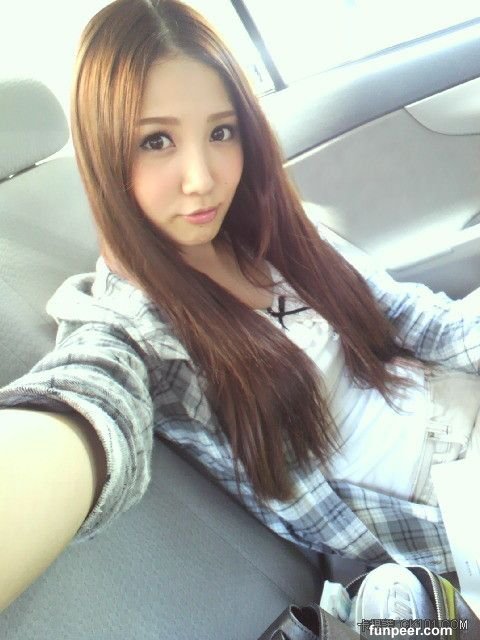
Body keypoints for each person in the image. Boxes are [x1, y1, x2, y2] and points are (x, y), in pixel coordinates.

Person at [0, 0, 479, 613]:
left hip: (456, 394)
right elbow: (89, 399)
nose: (201, 178)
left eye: (220, 132)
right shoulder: (135, 326)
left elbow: (415, 320)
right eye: (156, 141)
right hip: (444, 504)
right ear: (104, 152)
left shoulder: (267, 231)